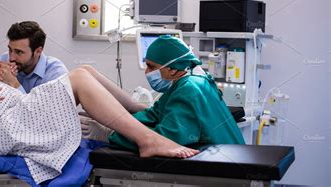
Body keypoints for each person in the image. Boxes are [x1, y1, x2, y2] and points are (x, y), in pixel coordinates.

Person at [0, 6, 198, 185]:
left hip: (16, 113)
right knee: (81, 78)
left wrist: (5, 87)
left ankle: (143, 116)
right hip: (3, 131)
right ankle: (147, 139)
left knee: (83, 72)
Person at [80, 35, 245, 150]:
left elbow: (164, 139)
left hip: (225, 170)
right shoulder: (194, 79)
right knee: (85, 71)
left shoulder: (188, 90)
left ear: (172, 69)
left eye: (152, 66)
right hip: (232, 154)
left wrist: (110, 134)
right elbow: (154, 114)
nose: (147, 72)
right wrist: (109, 119)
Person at [0, 21, 67, 93]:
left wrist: (14, 84)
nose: (11, 58)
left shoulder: (57, 74)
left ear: (38, 51)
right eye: (10, 49)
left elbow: (43, 104)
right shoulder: (5, 58)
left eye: (19, 52)